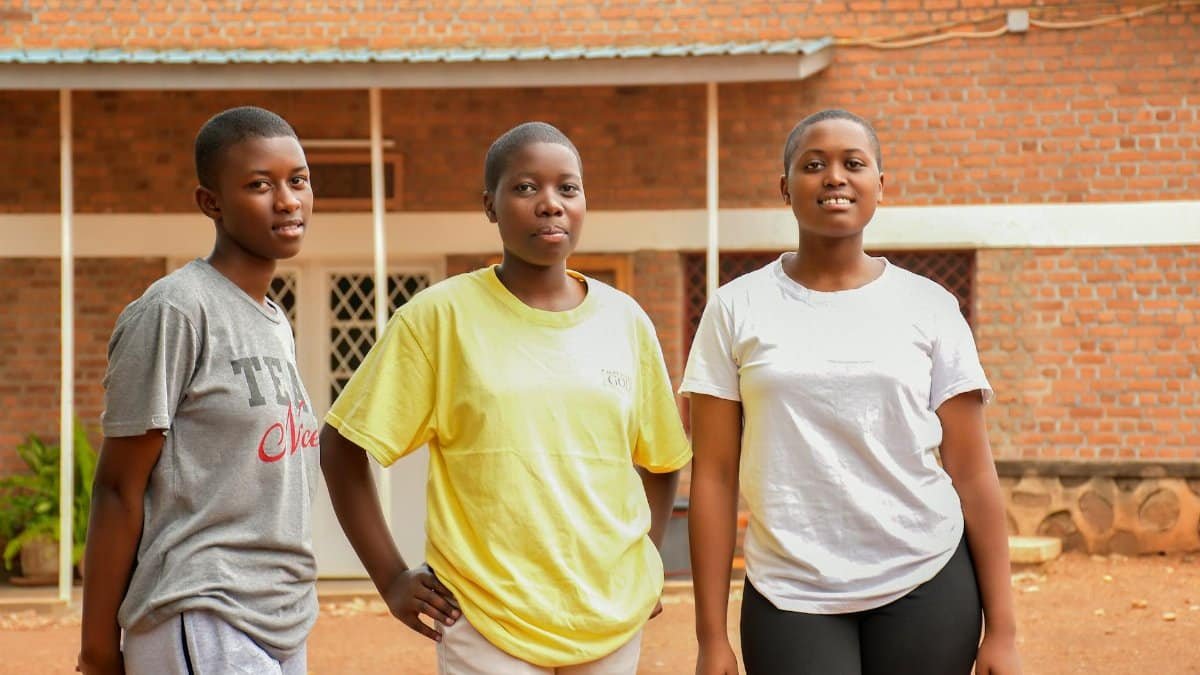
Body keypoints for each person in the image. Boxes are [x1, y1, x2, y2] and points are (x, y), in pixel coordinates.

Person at [319, 121, 691, 674]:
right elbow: (342, 446)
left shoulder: (625, 320)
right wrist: (391, 577)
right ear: (489, 205)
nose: (550, 205)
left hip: (610, 616)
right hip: (486, 618)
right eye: (525, 188)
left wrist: (649, 563)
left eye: (568, 188)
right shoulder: (438, 318)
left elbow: (661, 461)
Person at [683, 109, 1022, 675]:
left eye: (853, 163)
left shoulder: (929, 306)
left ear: (880, 186)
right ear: (785, 187)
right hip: (791, 590)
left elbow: (972, 470)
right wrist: (710, 636)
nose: (834, 177)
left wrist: (1005, 632)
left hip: (926, 575)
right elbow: (714, 475)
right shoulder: (735, 308)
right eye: (813, 165)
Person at [77, 106, 319, 675]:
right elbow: (116, 487)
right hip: (200, 608)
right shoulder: (176, 309)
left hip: (280, 615)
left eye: (299, 180)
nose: (287, 200)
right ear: (211, 202)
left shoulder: (273, 320)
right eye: (260, 185)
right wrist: (96, 652)